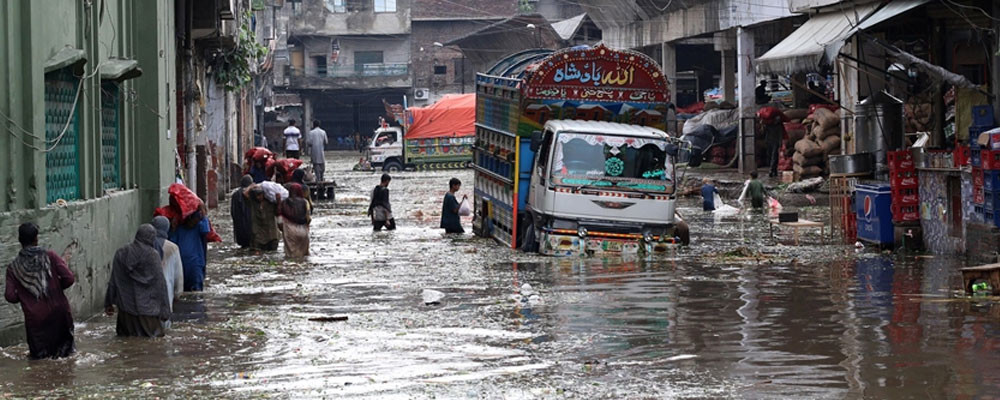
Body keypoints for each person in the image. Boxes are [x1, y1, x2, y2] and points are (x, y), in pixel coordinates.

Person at [4, 223, 75, 359]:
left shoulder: (13, 268)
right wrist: (56, 288)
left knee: (40, 361)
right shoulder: (50, 256)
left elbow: (10, 296)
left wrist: (25, 295)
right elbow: (69, 278)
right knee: (67, 358)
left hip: (36, 321)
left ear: (20, 241)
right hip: (60, 314)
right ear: (36, 239)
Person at [104, 224, 172, 337]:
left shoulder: (120, 253)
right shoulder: (152, 255)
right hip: (147, 313)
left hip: (125, 313)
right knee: (153, 346)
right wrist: (165, 310)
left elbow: (113, 280)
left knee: (126, 344)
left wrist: (108, 303)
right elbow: (160, 284)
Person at [169, 206, 211, 291]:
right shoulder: (179, 228)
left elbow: (206, 230)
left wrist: (204, 215)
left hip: (194, 265)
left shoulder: (198, 227)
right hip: (185, 265)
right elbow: (172, 242)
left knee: (194, 290)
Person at [152, 216, 184, 311]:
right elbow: (178, 275)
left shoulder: (144, 244)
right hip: (166, 291)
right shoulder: (172, 248)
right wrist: (178, 293)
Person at [279, 183, 312, 258]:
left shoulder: (284, 202)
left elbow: (280, 218)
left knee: (291, 255)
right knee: (303, 255)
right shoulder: (305, 202)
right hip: (303, 230)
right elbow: (308, 218)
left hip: (289, 230)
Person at [758, 106, 789, 177]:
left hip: (775, 140)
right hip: (770, 140)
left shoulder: (776, 125)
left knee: (774, 155)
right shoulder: (767, 123)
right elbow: (764, 132)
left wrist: (781, 141)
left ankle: (772, 170)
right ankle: (773, 170)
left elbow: (781, 133)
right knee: (771, 154)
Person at [247, 186, 281, 251]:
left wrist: (278, 202)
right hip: (259, 235)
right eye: (257, 195)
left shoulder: (270, 202)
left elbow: (277, 213)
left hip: (272, 235)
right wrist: (254, 185)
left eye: (260, 195)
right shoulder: (253, 203)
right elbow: (245, 193)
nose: (259, 197)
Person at [231, 175, 254, 248]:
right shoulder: (251, 192)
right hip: (249, 223)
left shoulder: (235, 194)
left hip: (239, 224)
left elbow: (233, 211)